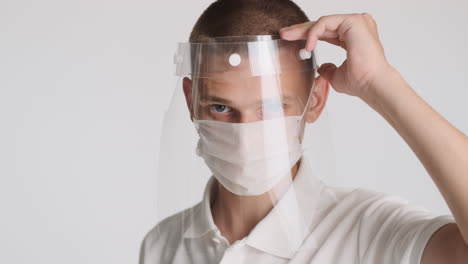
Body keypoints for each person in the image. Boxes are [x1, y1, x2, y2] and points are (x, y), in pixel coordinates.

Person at [139, 0, 468, 263]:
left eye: (271, 108)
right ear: (190, 100)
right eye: (221, 108)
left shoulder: (368, 232)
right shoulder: (162, 245)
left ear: (315, 101)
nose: (245, 135)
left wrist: (377, 82)